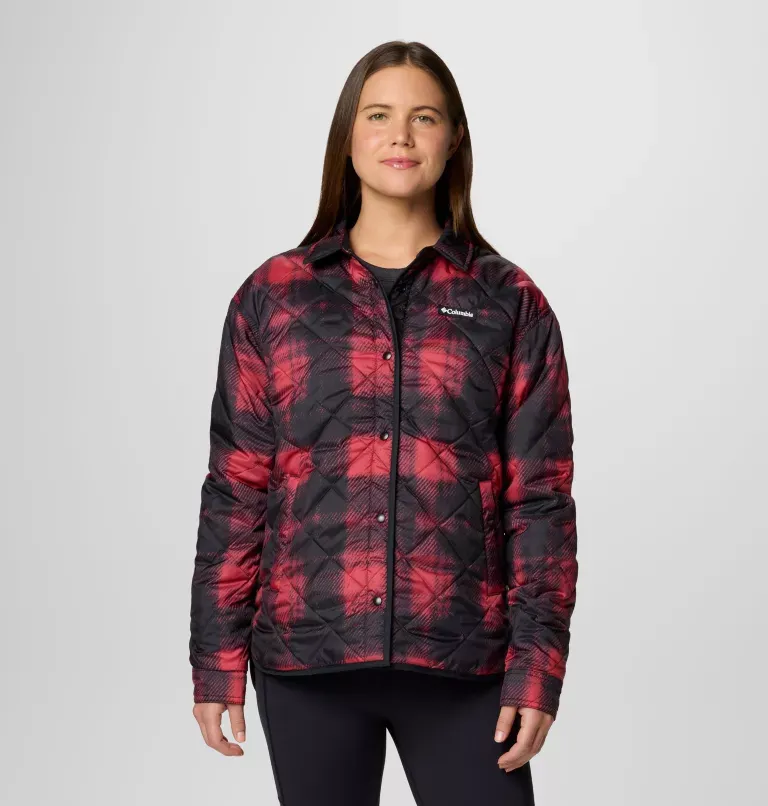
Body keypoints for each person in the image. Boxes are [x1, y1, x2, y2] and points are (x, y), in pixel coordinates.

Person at [189, 39, 578, 806]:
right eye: (378, 115)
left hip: (465, 662)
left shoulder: (510, 302)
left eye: (423, 117)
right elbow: (236, 489)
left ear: (453, 139)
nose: (400, 135)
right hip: (307, 661)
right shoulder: (273, 297)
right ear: (348, 135)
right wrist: (215, 655)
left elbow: (540, 502)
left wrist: (539, 666)